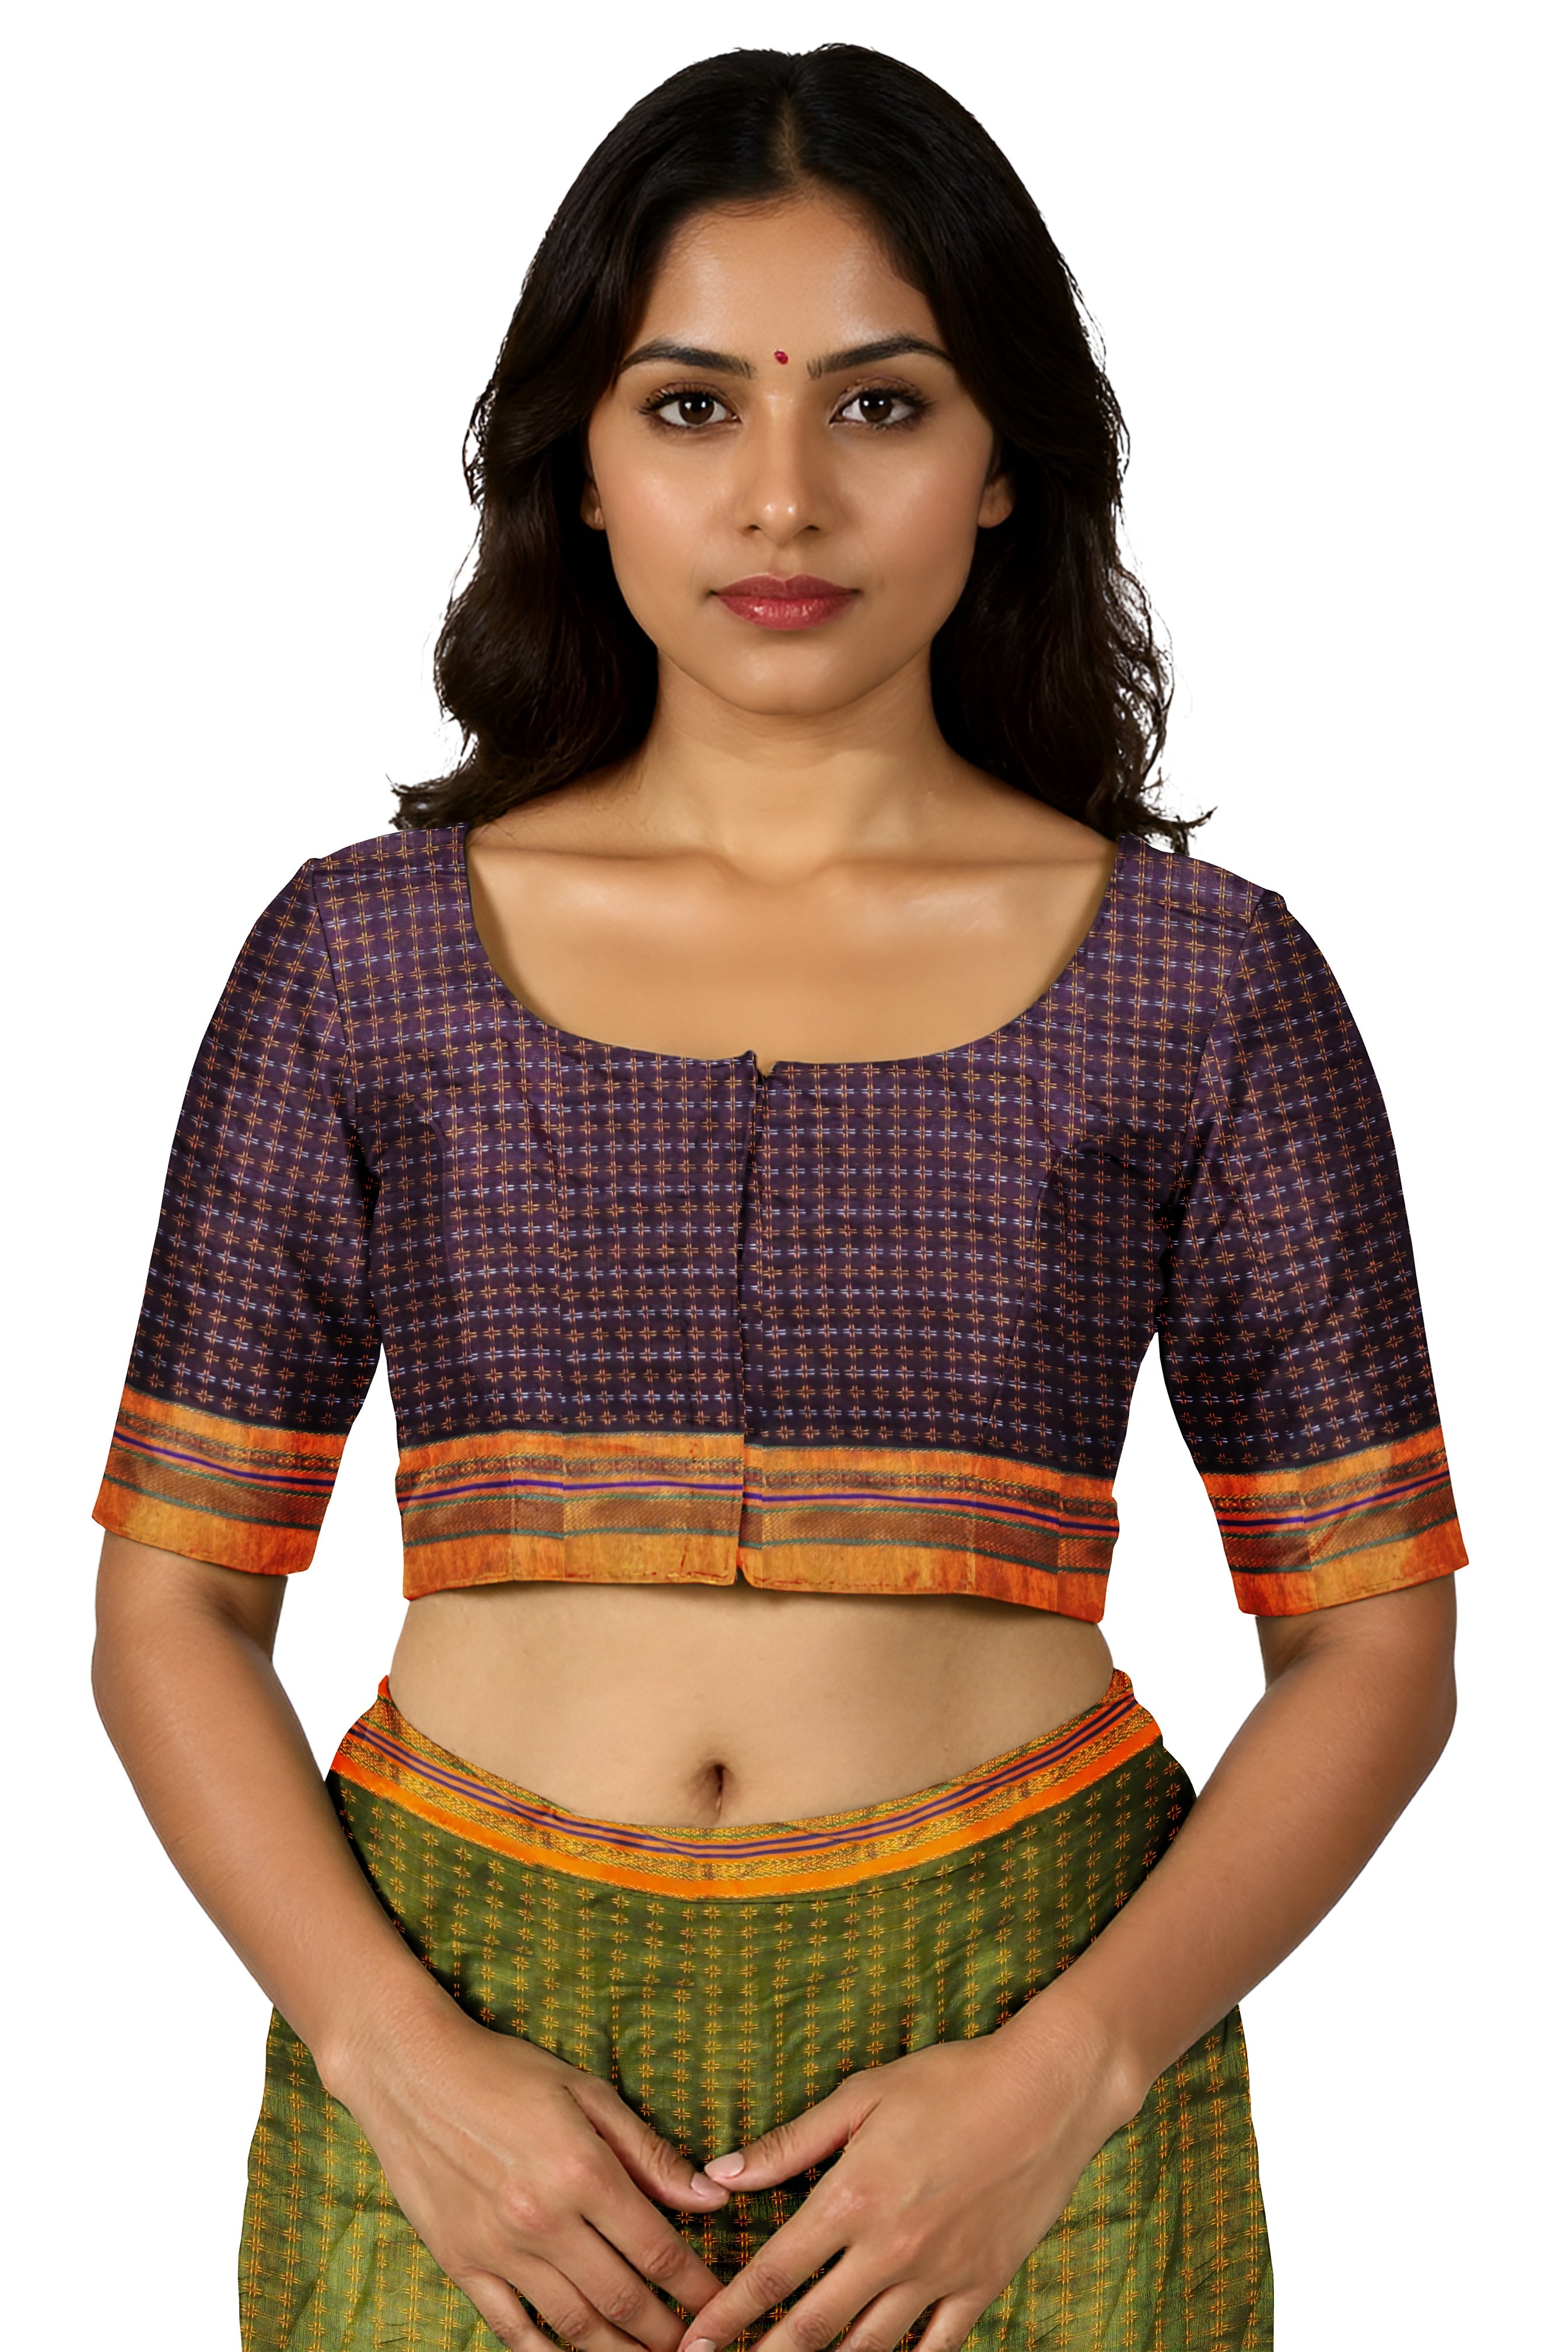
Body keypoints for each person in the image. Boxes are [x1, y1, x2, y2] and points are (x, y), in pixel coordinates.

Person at [90, 44, 1465, 2352]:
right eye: (694, 406)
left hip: (1022, 2046)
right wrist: (394, 2058)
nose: (785, 500)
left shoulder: (1205, 985)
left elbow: (1378, 1646)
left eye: (883, 405)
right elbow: (170, 1611)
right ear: (581, 463)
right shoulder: (359, 960)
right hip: (465, 2053)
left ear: (1007, 459)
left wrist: (1066, 2079)